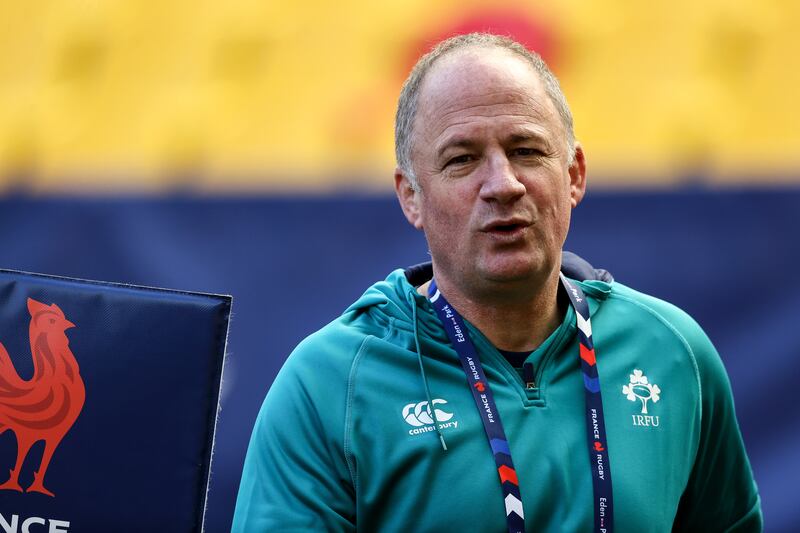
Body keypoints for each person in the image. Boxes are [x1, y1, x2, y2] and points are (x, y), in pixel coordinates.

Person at [232, 33, 762, 532]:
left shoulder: (671, 352)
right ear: (411, 196)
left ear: (574, 174)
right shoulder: (329, 383)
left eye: (526, 151)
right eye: (462, 160)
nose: (503, 185)